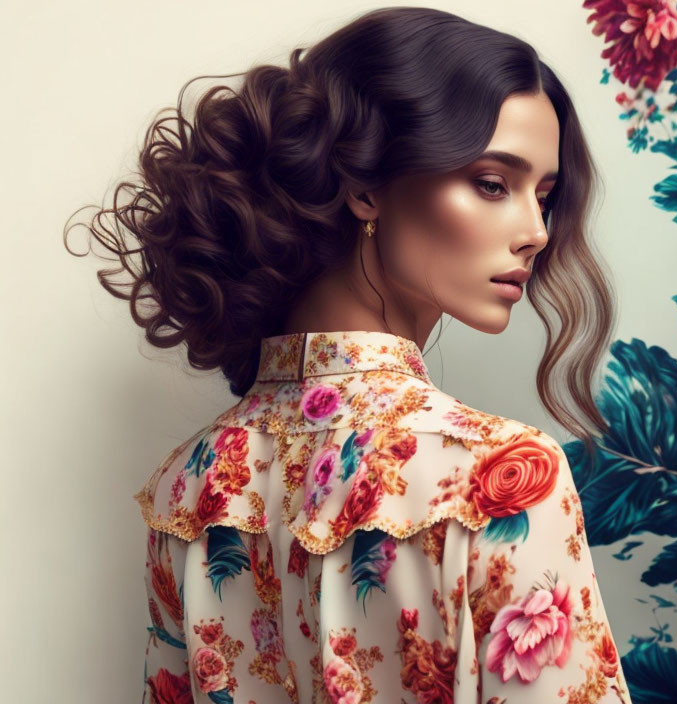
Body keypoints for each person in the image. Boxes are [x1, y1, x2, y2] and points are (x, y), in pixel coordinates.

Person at [65, 6, 630, 702]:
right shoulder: (500, 478)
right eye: (493, 183)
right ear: (364, 185)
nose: (537, 233)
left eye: (544, 197)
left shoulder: (188, 488)